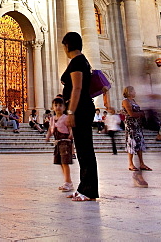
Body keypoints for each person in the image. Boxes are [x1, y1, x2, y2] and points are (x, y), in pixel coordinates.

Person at [60, 31, 99, 201]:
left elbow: (77, 88)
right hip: (83, 108)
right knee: (83, 150)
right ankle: (84, 187)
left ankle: (88, 191)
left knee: (84, 150)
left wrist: (70, 111)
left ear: (67, 45)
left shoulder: (77, 62)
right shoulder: (83, 61)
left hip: (80, 109)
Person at [45, 96, 74, 193]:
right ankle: (67, 181)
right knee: (61, 163)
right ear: (53, 107)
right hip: (58, 142)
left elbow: (70, 127)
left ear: (64, 108)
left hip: (65, 141)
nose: (58, 107)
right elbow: (50, 129)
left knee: (65, 162)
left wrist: (71, 134)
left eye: (60, 105)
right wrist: (48, 136)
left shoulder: (65, 118)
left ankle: (68, 182)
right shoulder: (52, 119)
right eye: (56, 105)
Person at [122, 86, 150, 177]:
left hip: (137, 125)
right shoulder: (126, 101)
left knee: (139, 143)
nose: (135, 92)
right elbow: (131, 113)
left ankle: (141, 163)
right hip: (131, 125)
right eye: (133, 91)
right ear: (129, 92)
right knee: (131, 143)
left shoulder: (133, 101)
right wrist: (141, 114)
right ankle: (130, 163)